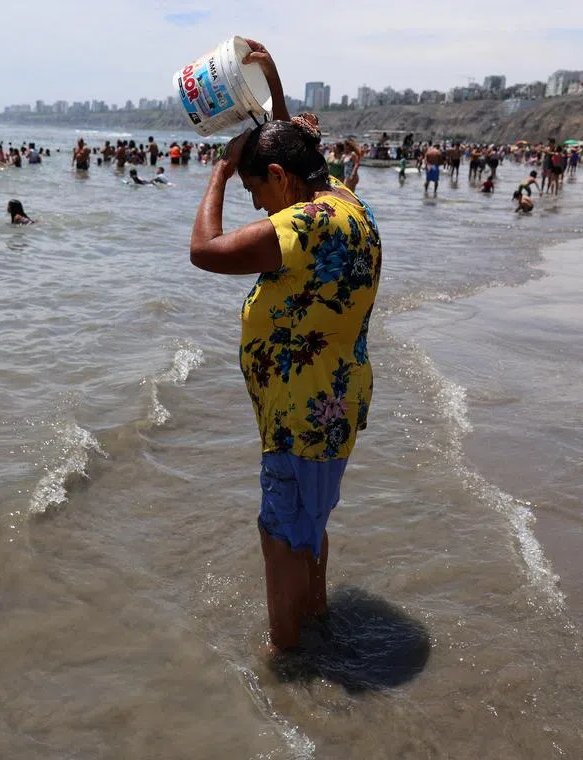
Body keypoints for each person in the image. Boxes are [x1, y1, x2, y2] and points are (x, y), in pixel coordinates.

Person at [188, 43, 379, 658]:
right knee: (310, 523)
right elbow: (292, 151)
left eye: (253, 189)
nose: (254, 203)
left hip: (299, 414)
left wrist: (219, 172)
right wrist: (271, 82)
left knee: (280, 533)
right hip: (336, 400)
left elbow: (205, 250)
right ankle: (316, 615)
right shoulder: (347, 204)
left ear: (278, 180)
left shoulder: (304, 225)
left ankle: (286, 656)